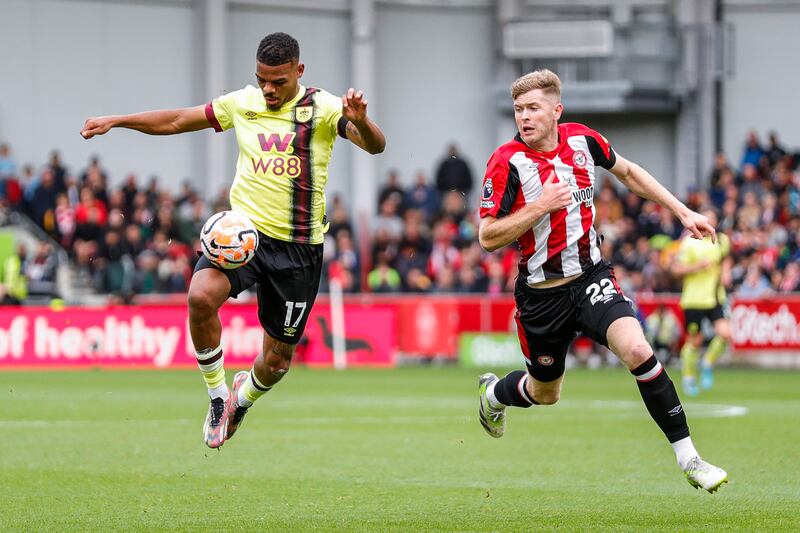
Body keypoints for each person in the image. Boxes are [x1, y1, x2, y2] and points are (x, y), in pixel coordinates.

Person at [81, 32, 385, 448]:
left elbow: (375, 146)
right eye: (262, 79)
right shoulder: (243, 103)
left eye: (278, 81)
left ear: (299, 71)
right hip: (244, 236)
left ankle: (242, 400)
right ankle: (217, 395)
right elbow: (177, 120)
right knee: (200, 297)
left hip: (298, 249)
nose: (269, 89)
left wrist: (362, 120)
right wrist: (119, 120)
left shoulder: (325, 109)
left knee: (276, 362)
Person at [475, 69, 728, 493]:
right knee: (545, 393)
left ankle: (690, 459)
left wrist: (683, 212)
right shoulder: (506, 163)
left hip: (591, 278)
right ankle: (495, 396)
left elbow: (628, 173)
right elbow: (487, 237)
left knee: (637, 348)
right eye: (518, 110)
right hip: (541, 297)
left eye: (533, 108)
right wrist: (540, 206)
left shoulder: (582, 140)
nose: (524, 117)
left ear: (557, 110)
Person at [673, 209, 732, 396]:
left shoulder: (722, 240)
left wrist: (726, 272)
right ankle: (688, 377)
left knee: (725, 334)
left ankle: (707, 363)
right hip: (694, 299)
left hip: (715, 297)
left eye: (712, 220)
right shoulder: (689, 242)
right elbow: (676, 269)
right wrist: (696, 267)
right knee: (695, 341)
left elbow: (726, 259)